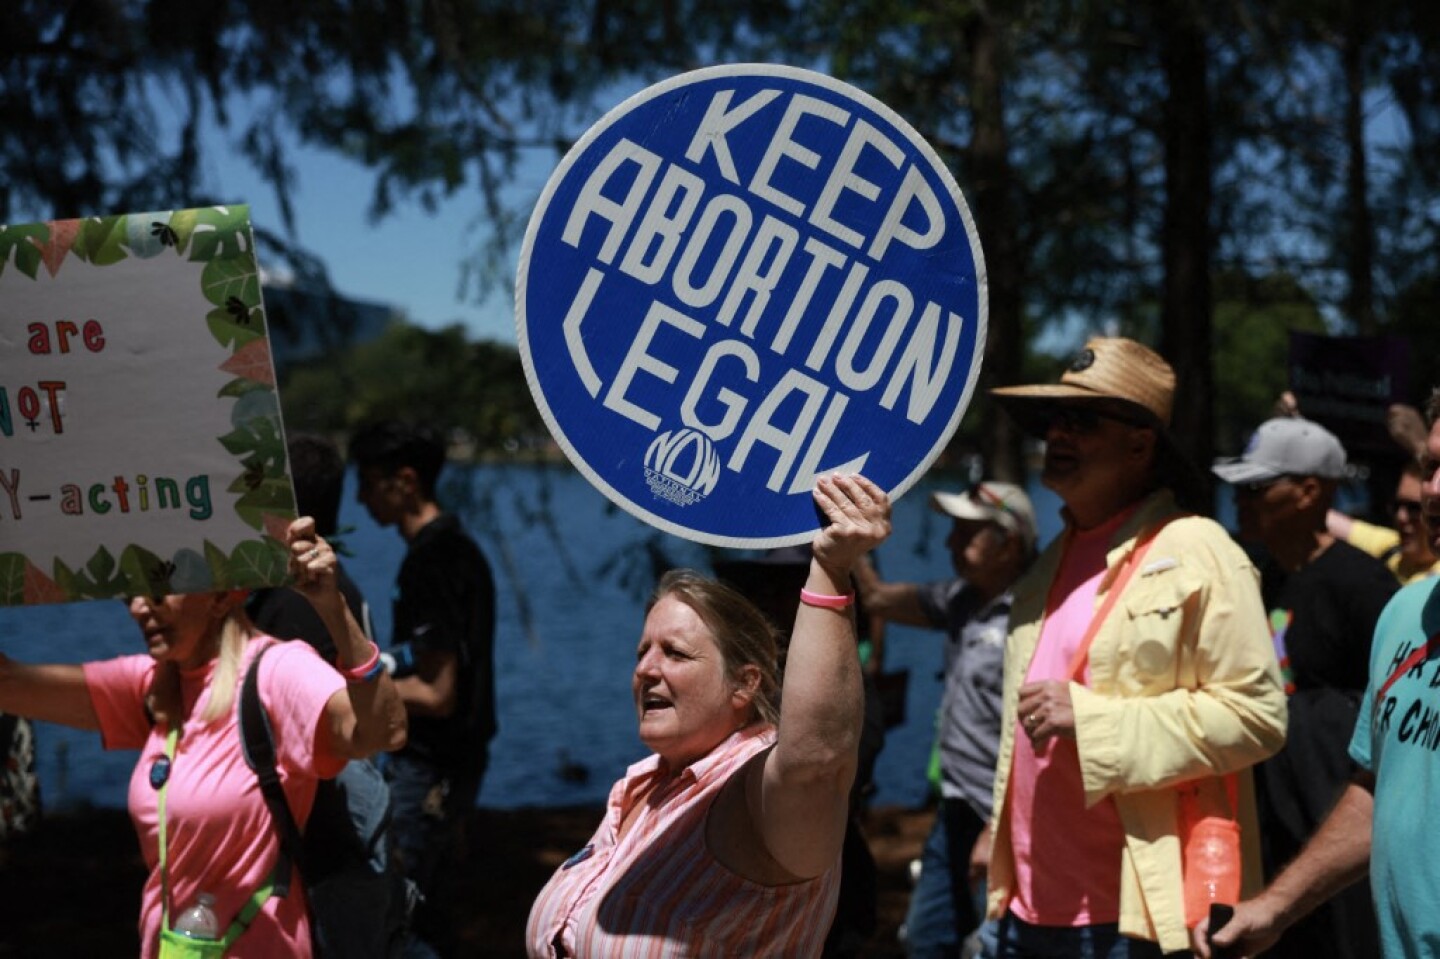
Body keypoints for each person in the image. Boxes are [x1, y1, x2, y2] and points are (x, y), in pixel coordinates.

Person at [982, 336, 1288, 956]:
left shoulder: (1201, 549)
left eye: (1082, 421)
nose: (1058, 435)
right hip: (1019, 912)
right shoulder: (1046, 566)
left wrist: (1094, 721)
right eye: (1053, 421)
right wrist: (995, 841)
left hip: (1129, 923)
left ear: (1140, 444)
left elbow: (1259, 717)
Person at [0, 519, 406, 957]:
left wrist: (332, 608)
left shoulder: (276, 673)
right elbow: (10, 683)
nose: (139, 606)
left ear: (220, 594)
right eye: (128, 595)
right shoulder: (154, 686)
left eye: (157, 588)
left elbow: (384, 731)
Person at [525, 473, 892, 958]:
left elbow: (816, 764)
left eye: (675, 653)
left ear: (745, 683)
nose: (646, 669)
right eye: (642, 651)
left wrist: (829, 568)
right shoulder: (638, 789)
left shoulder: (753, 793)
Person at [1197, 388, 1440, 959]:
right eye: (1430, 466)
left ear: (1311, 492)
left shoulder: (1365, 589)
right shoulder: (1406, 614)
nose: (1432, 491)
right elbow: (1381, 781)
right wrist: (1276, 905)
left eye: (1258, 486)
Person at [852, 481, 1037, 959]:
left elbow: (1040, 739)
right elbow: (874, 599)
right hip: (953, 810)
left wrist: (999, 824)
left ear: (1009, 544)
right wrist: (849, 539)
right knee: (925, 940)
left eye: (967, 533)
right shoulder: (960, 600)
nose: (949, 542)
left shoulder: (1038, 616)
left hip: (1005, 819)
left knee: (993, 946)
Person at [349, 420, 497, 958]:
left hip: (433, 766)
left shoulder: (432, 561)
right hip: (455, 762)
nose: (361, 498)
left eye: (368, 482)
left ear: (405, 481)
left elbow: (438, 692)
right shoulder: (458, 550)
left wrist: (349, 687)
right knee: (432, 909)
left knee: (407, 912)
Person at [1329, 461, 1440, 585]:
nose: (1401, 517)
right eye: (1396, 506)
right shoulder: (1392, 547)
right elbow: (1332, 522)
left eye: (1413, 508)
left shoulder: (1436, 580)